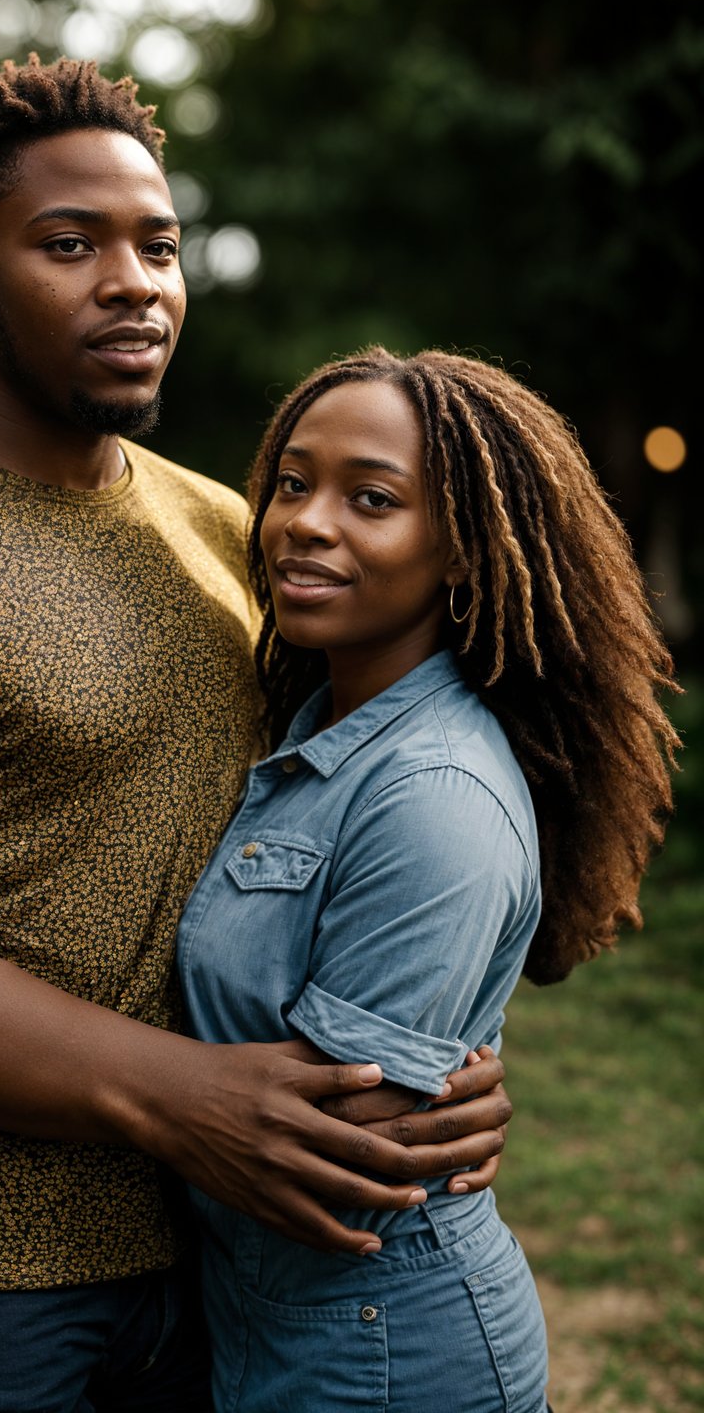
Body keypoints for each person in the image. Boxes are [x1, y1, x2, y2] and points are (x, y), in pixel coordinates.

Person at [0, 58, 512, 1413]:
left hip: (223, 1251)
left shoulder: (230, 529)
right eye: (69, 244)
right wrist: (186, 1094)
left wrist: (424, 1053)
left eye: (157, 244)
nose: (134, 281)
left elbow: (341, 811)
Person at [178, 346, 679, 1412]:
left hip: (380, 1351)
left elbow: (329, 1148)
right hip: (272, 1324)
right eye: (293, 483)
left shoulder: (433, 790)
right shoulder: (319, 728)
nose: (305, 523)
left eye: (372, 499)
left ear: (461, 550)